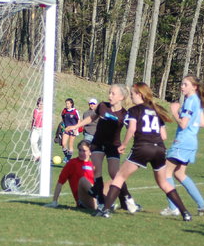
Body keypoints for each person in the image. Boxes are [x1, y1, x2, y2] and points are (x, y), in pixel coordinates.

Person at [96, 83, 192, 221]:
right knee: (163, 183)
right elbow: (164, 136)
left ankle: (104, 210)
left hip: (142, 147)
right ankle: (185, 213)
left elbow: (131, 129)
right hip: (159, 149)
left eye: (132, 94)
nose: (131, 97)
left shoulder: (134, 110)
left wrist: (124, 144)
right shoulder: (155, 110)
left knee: (119, 177)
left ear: (139, 94)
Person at [66, 84, 140, 214]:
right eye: (109, 92)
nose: (109, 95)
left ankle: (127, 199)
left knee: (114, 173)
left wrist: (131, 143)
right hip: (98, 143)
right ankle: (100, 201)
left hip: (113, 145)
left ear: (121, 97)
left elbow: (132, 130)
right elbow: (91, 117)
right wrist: (76, 126)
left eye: (113, 93)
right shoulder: (102, 106)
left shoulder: (125, 114)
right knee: (97, 170)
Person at [161, 76, 204, 217]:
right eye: (182, 84)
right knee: (179, 174)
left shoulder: (189, 101)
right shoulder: (197, 101)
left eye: (185, 84)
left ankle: (173, 208)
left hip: (182, 141)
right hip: (192, 142)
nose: (182, 87)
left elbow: (183, 124)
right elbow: (202, 123)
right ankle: (202, 204)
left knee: (165, 173)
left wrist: (174, 112)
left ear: (194, 87)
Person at [44, 140, 99, 210]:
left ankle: (103, 202)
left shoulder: (92, 165)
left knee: (111, 182)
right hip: (83, 199)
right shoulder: (72, 163)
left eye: (84, 151)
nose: (81, 153)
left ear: (90, 152)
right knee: (83, 180)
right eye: (80, 150)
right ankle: (100, 202)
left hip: (93, 196)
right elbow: (60, 182)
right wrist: (54, 201)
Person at [60, 98, 80, 162]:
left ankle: (68, 159)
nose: (67, 105)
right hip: (66, 129)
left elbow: (78, 120)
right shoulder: (64, 110)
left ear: (71, 104)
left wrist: (76, 129)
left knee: (70, 144)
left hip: (73, 130)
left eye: (68, 103)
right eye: (66, 103)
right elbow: (63, 117)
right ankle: (67, 156)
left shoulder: (75, 111)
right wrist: (63, 125)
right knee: (63, 144)